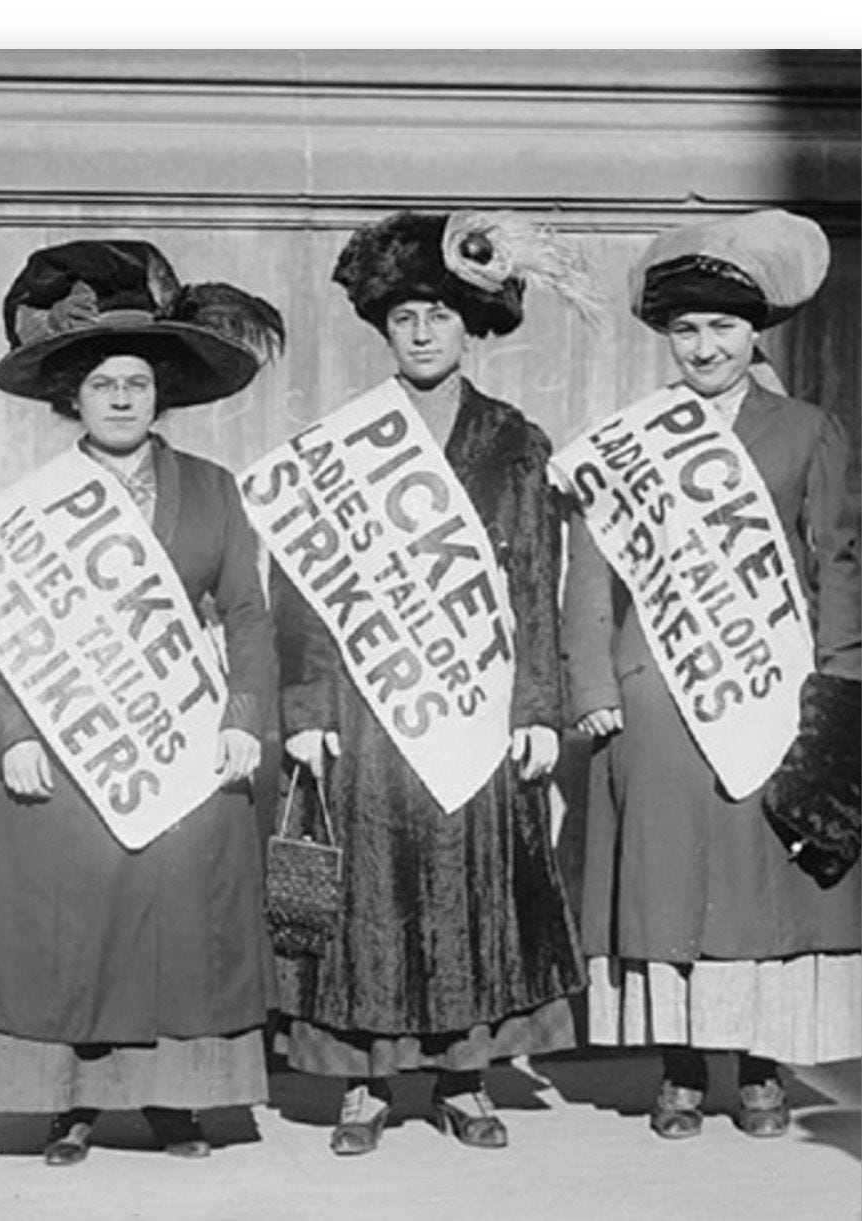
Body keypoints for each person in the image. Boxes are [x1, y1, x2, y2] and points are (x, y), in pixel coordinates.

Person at [271, 210, 592, 1155]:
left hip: (477, 704)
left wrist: (538, 707)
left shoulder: (513, 439)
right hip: (370, 713)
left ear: (471, 327)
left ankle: (463, 1076)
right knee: (371, 897)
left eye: (441, 315)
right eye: (406, 315)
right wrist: (306, 710)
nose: (422, 332)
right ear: (383, 327)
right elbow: (300, 592)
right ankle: (369, 1084)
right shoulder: (340, 443)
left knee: (470, 891)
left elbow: (537, 577)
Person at [0, 240, 283, 1165]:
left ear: (161, 392)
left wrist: (240, 718)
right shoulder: (37, 502)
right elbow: (4, 625)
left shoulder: (214, 491)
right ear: (72, 399)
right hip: (72, 734)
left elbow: (250, 616)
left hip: (180, 733)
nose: (122, 398)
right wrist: (14, 732)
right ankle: (70, 1104)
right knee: (77, 911)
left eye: (137, 381)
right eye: (102, 384)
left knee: (182, 913)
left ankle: (180, 1101)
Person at [561, 208, 861, 1140]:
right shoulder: (627, 439)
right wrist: (593, 687)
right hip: (656, 689)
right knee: (667, 879)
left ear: (753, 333)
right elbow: (591, 566)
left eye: (723, 327)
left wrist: (841, 682)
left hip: (771, 682)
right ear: (668, 338)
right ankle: (681, 1069)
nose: (705, 346)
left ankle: (763, 1071)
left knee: (760, 880)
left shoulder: (808, 429)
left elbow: (840, 561)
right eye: (686, 329)